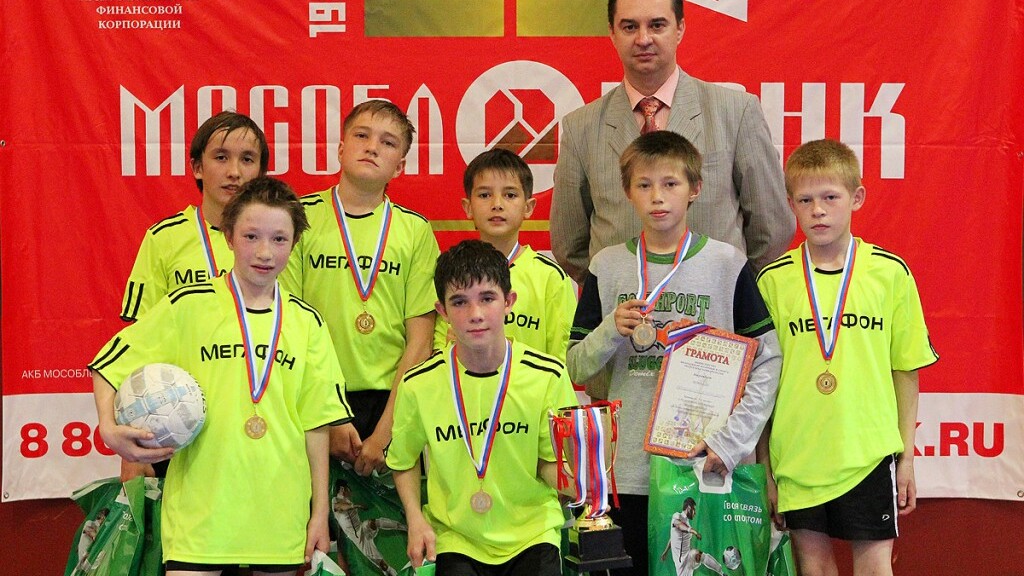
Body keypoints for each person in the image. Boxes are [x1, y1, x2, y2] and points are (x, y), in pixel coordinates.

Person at [90, 177, 357, 575]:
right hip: (201, 509)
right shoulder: (189, 305)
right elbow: (109, 364)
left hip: (279, 509)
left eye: (279, 239)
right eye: (251, 236)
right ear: (229, 237)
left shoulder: (307, 323)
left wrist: (319, 514)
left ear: (294, 244)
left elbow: (316, 426)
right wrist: (108, 428)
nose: (264, 252)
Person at [566, 131, 781, 575]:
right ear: (627, 192)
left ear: (695, 189)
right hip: (626, 472)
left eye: (671, 184)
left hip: (703, 464)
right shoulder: (606, 265)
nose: (657, 197)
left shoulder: (728, 264)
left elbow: (769, 359)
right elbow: (576, 365)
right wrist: (611, 330)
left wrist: (731, 440)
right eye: (644, 185)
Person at [755, 139, 938, 576]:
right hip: (797, 456)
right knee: (813, 567)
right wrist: (766, 469)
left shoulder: (889, 274)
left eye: (830, 197)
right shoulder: (772, 281)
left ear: (856, 198)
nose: (817, 210)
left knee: (874, 567)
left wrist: (906, 459)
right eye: (805, 200)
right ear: (790, 205)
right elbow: (759, 383)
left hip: (868, 453)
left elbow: (905, 371)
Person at [551, 0, 794, 285]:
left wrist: (732, 290)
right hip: (621, 308)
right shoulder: (581, 127)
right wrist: (610, 287)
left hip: (715, 307)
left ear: (679, 28)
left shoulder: (736, 112)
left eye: (657, 25)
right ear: (612, 33)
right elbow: (569, 245)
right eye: (629, 27)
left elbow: (773, 227)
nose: (643, 39)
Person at [387, 240, 577, 575]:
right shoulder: (418, 383)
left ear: (509, 302)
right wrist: (415, 519)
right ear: (442, 311)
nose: (475, 314)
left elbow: (550, 462)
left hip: (533, 534)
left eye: (487, 298)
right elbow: (403, 461)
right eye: (459, 302)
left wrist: (584, 484)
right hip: (457, 538)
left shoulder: (547, 376)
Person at [281, 100, 439, 476]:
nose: (372, 147)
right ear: (340, 148)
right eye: (362, 135)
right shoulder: (298, 217)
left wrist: (386, 431)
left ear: (399, 166)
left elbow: (421, 340)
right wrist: (330, 415)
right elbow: (287, 326)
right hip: (312, 398)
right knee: (314, 514)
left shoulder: (415, 231)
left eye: (387, 142)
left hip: (392, 403)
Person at [118, 111, 269, 481]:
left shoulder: (278, 242)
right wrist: (131, 436)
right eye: (221, 157)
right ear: (198, 167)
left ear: (261, 171)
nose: (234, 171)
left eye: (247, 159)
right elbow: (140, 345)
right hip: (177, 422)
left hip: (261, 412)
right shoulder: (165, 239)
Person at [434, 148, 577, 360]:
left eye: (510, 195)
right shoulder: (452, 273)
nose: (497, 205)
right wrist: (450, 348)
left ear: (528, 207)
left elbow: (563, 361)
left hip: (531, 383)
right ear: (468, 207)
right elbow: (438, 353)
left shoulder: (550, 278)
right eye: (485, 195)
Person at [660, 498, 725, 576]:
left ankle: (722, 573)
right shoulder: (677, 516)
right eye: (694, 509)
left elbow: (672, 539)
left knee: (700, 555)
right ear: (689, 508)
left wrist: (665, 552)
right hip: (682, 563)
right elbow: (679, 525)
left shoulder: (687, 523)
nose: (695, 513)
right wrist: (694, 532)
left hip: (689, 555)